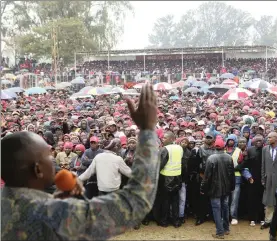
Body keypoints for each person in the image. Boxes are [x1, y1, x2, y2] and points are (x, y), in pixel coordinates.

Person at [1, 84, 160, 240]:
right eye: (49, 156)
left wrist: (57, 200)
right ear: (37, 170)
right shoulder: (52, 213)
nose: (54, 158)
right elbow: (136, 201)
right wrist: (147, 130)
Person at [201, 136, 235, 239]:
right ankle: (226, 229)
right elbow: (231, 175)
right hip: (226, 188)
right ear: (224, 146)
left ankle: (220, 232)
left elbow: (206, 177)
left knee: (217, 209)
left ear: (214, 147)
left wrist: (203, 188)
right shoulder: (229, 157)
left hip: (214, 189)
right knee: (225, 208)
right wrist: (232, 187)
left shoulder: (211, 158)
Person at [154, 131, 183, 228]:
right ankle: (176, 221)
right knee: (175, 201)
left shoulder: (164, 149)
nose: (162, 139)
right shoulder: (180, 148)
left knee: (165, 200)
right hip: (177, 177)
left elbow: (160, 165)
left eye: (165, 138)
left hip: (166, 178)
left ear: (171, 139)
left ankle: (164, 221)